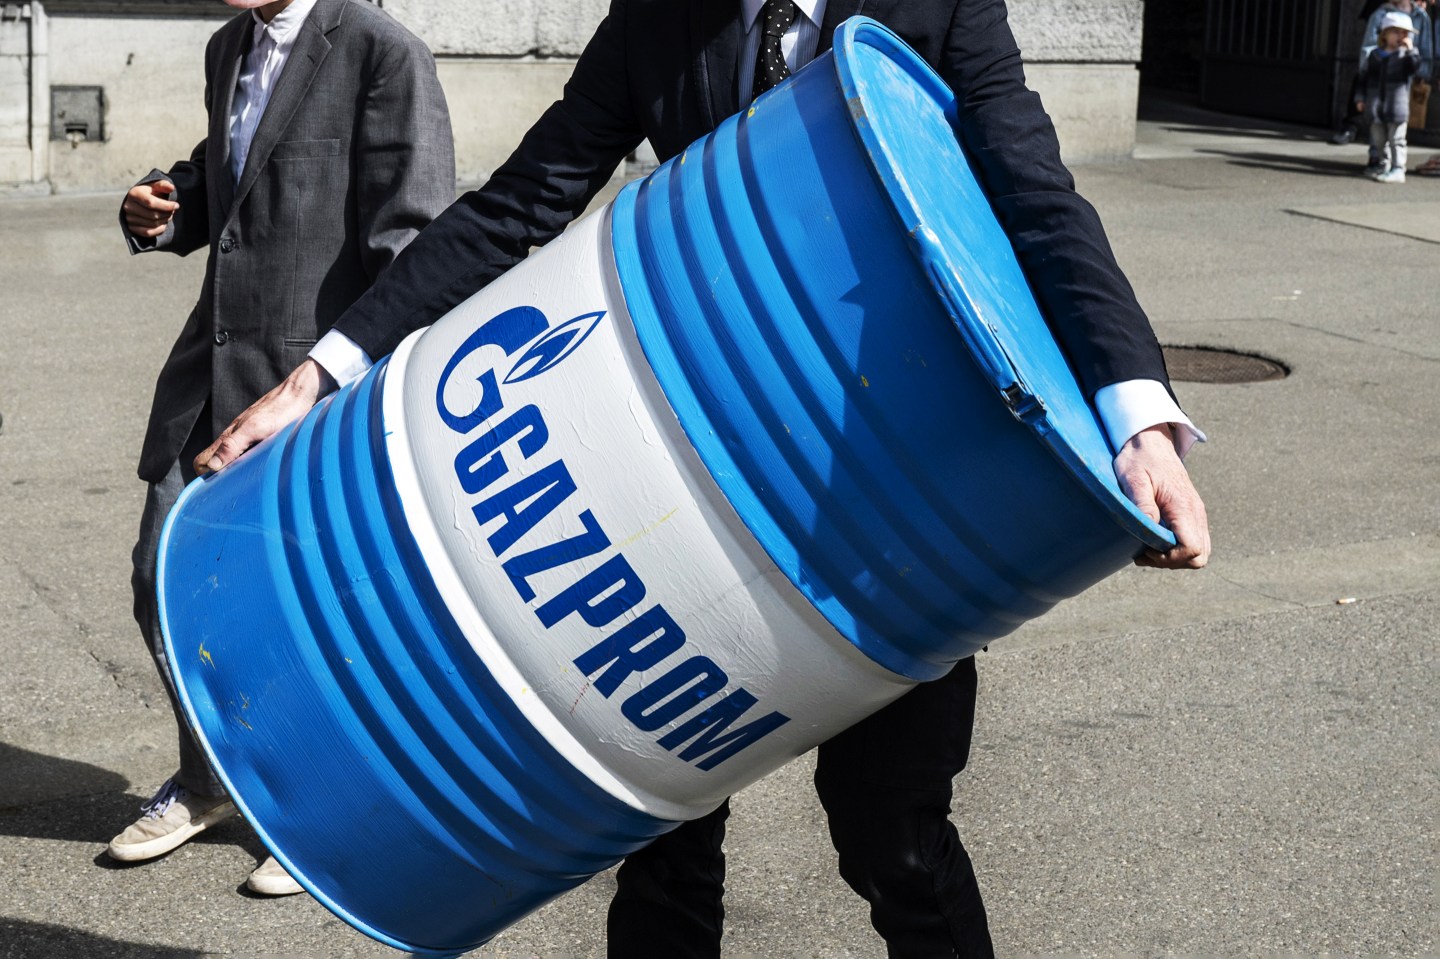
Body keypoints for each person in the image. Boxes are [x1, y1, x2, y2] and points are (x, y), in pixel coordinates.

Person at [194, 0, 1210, 952]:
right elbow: (521, 203)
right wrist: (322, 372)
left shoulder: (936, 3)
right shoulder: (661, 15)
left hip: (895, 492)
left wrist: (1138, 422)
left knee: (893, 832)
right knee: (661, 833)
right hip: (671, 472)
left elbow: (1033, 193)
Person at [108, 0, 453, 896]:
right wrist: (166, 207)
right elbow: (237, 180)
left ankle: (315, 811)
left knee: (310, 612)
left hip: (310, 391)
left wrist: (348, 393)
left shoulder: (384, 53)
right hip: (209, 379)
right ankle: (211, 778)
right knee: (162, 577)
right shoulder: (232, 45)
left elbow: (410, 245)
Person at [1359, 11, 1421, 182]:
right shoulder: (1375, 55)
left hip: (1397, 106)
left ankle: (1398, 168)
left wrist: (1411, 51)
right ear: (1385, 33)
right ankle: (1384, 163)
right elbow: (1363, 78)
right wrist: (1360, 98)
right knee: (1378, 139)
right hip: (1376, 106)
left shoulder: (1405, 56)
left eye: (1405, 33)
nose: (1401, 37)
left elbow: (1415, 67)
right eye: (1397, 32)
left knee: (1397, 138)